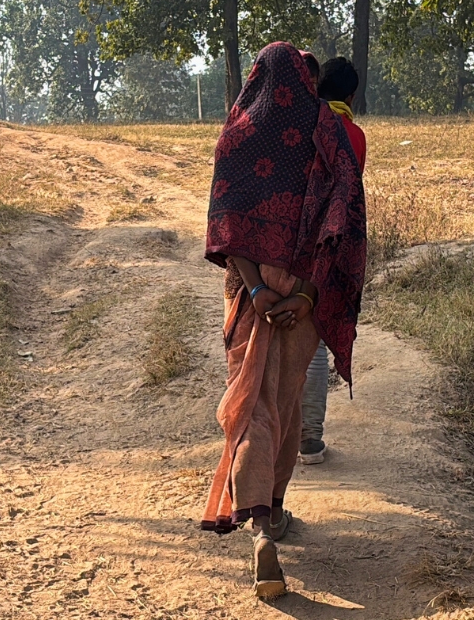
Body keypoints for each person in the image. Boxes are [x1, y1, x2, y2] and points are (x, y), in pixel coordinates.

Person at [202, 41, 367, 599]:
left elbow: (225, 223)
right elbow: (343, 219)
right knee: (287, 400)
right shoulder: (327, 131)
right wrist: (308, 294)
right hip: (303, 294)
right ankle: (273, 510)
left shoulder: (237, 133)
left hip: (248, 292)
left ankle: (257, 531)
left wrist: (255, 288)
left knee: (254, 404)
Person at [299, 55, 367, 465]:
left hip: (287, 245)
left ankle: (278, 436)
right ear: (351, 96)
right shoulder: (354, 135)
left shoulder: (296, 126)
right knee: (316, 341)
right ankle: (309, 438)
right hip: (332, 245)